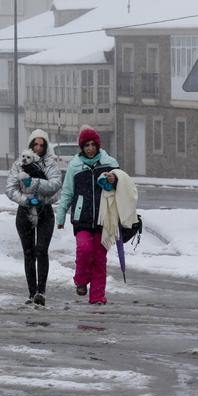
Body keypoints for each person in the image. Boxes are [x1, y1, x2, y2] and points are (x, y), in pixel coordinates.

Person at [55, 126, 119, 305]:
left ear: (98, 145)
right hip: (81, 219)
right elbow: (67, 193)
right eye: (86, 145)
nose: (90, 148)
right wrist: (60, 217)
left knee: (100, 258)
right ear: (81, 147)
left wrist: (116, 180)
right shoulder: (74, 166)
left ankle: (98, 297)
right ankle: (81, 280)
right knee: (84, 250)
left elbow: (123, 186)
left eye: (93, 144)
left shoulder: (110, 163)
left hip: (104, 218)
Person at [5, 129, 62, 306]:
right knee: (29, 253)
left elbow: (56, 187)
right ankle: (31, 293)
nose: (38, 148)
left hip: (45, 211)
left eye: (41, 145)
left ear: (46, 147)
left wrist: (38, 187)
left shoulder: (51, 164)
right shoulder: (20, 163)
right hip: (25, 211)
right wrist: (26, 200)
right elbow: (10, 188)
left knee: (41, 249)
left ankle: (41, 292)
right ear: (30, 145)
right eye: (35, 144)